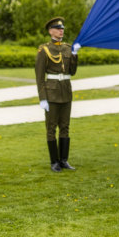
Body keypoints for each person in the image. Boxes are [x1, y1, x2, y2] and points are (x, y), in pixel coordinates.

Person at [35, 17, 79, 172]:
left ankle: (64, 160)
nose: (61, 30)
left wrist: (74, 55)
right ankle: (54, 161)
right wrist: (42, 98)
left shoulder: (68, 48)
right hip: (52, 93)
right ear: (50, 31)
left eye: (62, 28)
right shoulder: (44, 50)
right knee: (51, 128)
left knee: (65, 126)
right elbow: (40, 77)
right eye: (58, 28)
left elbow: (72, 72)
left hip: (66, 91)